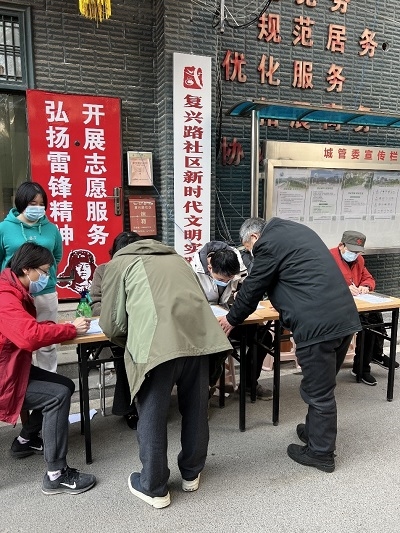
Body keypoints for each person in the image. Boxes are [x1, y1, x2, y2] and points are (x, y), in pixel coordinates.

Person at [218, 217, 361, 473]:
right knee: (323, 385)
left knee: (319, 393)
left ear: (254, 238)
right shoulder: (295, 230)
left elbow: (253, 287)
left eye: (249, 248)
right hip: (344, 319)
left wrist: (231, 319)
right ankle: (315, 433)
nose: (251, 253)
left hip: (317, 326)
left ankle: (321, 453)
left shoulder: (268, 244)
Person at [99, 238, 232, 508]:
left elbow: (112, 325)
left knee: (152, 415)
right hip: (198, 342)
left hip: (155, 348)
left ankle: (154, 486)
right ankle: (191, 474)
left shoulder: (118, 264)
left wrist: (133, 341)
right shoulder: (178, 260)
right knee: (196, 409)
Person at [0, 242, 96, 495]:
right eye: (43, 272)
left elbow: (26, 329)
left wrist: (61, 327)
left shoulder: (13, 288)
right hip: (4, 376)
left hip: (11, 368)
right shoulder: (5, 296)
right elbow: (28, 336)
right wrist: (70, 329)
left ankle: (26, 439)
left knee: (65, 384)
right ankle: (56, 474)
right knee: (57, 395)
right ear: (27, 269)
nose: (46, 277)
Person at [192, 241, 273, 399]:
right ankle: (203, 391)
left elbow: (245, 290)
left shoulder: (238, 265)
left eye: (229, 279)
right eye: (221, 279)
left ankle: (248, 384)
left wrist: (239, 295)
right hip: (205, 323)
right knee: (217, 344)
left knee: (264, 337)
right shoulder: (194, 271)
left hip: (231, 318)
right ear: (210, 268)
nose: (226, 282)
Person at [0, 181, 63, 372]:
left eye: (41, 204)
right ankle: (22, 378)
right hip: (14, 294)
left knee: (48, 340)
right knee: (18, 340)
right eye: (32, 203)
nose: (38, 208)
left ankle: (49, 378)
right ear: (21, 202)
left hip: (45, 291)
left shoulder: (51, 229)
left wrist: (42, 275)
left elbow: (56, 256)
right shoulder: (4, 228)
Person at [330, 230, 399, 386]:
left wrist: (365, 286)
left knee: (374, 318)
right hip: (335, 307)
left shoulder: (359, 260)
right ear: (341, 245)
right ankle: (368, 362)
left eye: (358, 252)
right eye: (352, 251)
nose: (354, 255)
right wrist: (343, 289)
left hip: (357, 304)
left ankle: (366, 363)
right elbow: (320, 283)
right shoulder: (328, 258)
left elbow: (368, 278)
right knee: (365, 324)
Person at [90, 231, 142, 429]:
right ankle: (129, 408)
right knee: (125, 357)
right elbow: (96, 304)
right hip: (117, 330)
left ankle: (151, 403)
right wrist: (119, 315)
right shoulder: (103, 270)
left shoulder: (144, 270)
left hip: (142, 327)